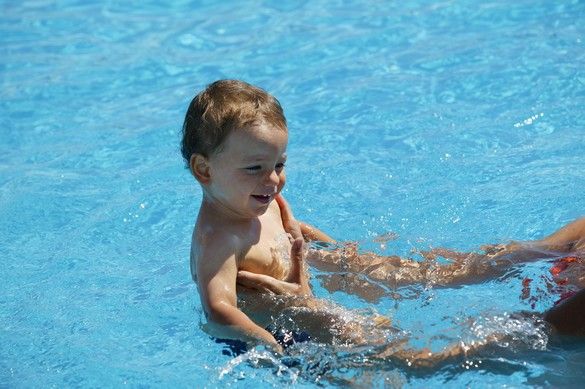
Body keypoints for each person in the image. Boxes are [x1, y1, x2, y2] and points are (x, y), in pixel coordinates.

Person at [181, 79, 585, 362]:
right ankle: (517, 338)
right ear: (204, 170)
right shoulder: (219, 237)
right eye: (256, 167)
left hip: (312, 278)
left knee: (426, 272)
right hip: (296, 324)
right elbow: (218, 309)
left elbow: (294, 231)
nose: (274, 180)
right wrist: (270, 345)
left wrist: (338, 252)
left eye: (280, 164)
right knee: (393, 353)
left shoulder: (253, 196)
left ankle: (537, 252)